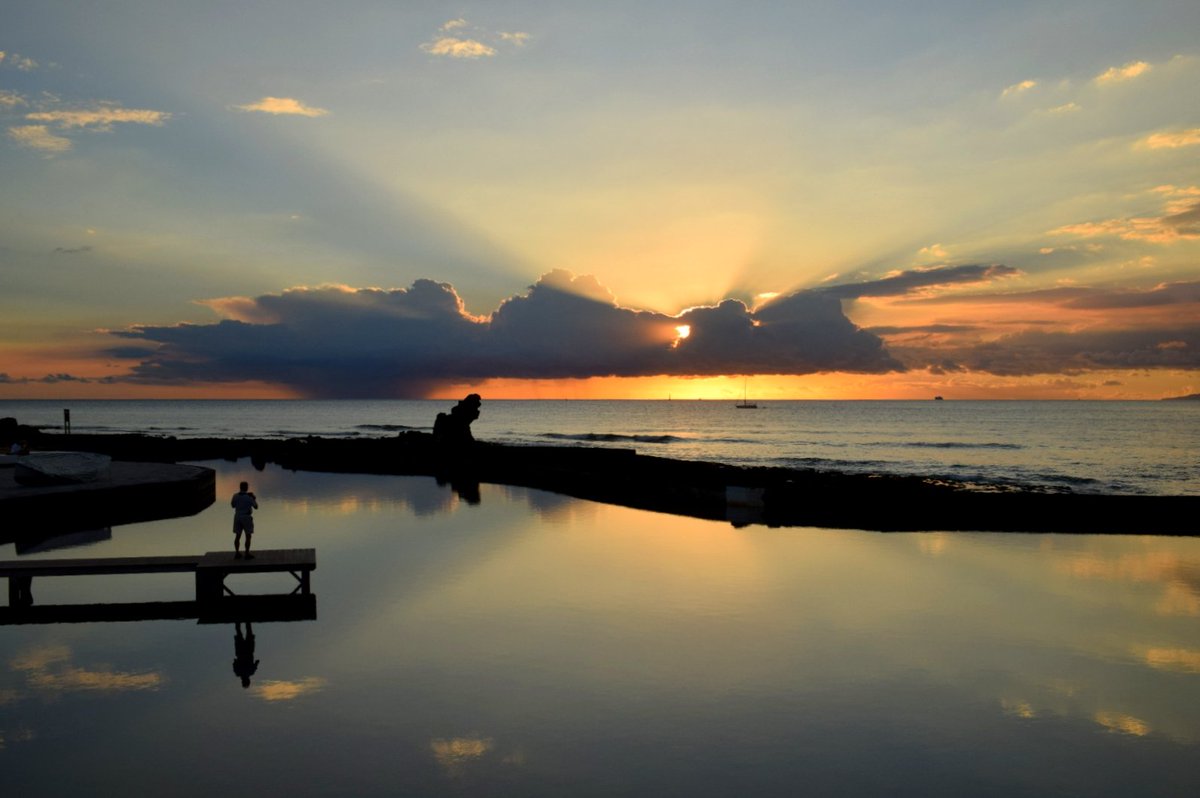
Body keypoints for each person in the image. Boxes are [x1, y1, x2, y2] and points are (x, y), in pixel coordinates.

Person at [231, 481, 258, 559]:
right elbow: (256, 507)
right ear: (246, 488)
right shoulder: (249, 497)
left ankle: (237, 553)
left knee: (237, 535)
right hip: (246, 517)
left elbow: (233, 505)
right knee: (248, 536)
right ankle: (247, 553)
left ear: (240, 487)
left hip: (237, 517)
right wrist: (254, 498)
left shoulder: (235, 496)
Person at [232, 621, 259, 688]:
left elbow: (256, 663)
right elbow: (234, 663)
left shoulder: (251, 671)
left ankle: (247, 621)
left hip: (248, 650)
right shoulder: (238, 672)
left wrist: (256, 662)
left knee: (249, 630)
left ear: (248, 680)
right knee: (238, 631)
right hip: (240, 651)